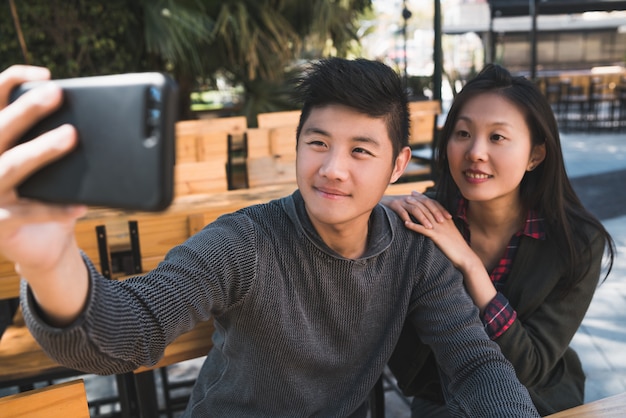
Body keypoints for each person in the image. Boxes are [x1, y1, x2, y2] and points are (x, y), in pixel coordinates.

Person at [0, 59, 539, 417]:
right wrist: (49, 264)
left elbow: (473, 363)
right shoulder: (245, 241)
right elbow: (132, 328)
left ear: (398, 164)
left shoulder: (415, 250)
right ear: (298, 145)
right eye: (318, 142)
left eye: (360, 150)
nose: (332, 169)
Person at [383, 63, 616, 416]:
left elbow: (530, 367)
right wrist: (380, 208)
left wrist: (470, 264)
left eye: (497, 137)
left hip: (538, 399)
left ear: (535, 155)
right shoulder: (425, 219)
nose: (475, 151)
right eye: (462, 133)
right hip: (444, 398)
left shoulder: (577, 243)